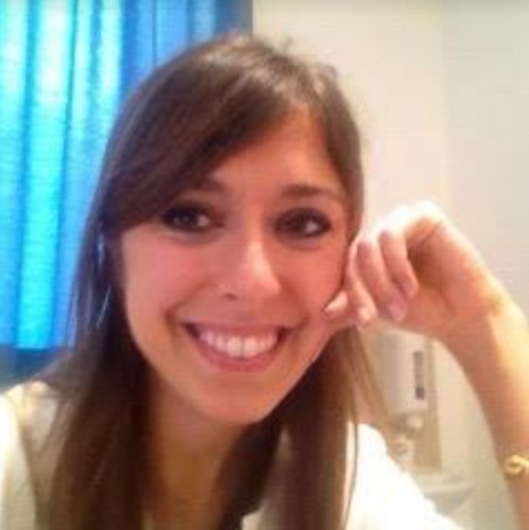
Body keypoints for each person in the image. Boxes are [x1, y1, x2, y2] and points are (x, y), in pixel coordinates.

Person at [0, 32, 528, 530]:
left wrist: (485, 320)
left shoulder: (349, 481)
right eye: (188, 216)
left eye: (302, 224)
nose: (252, 282)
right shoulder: (14, 466)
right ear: (114, 247)